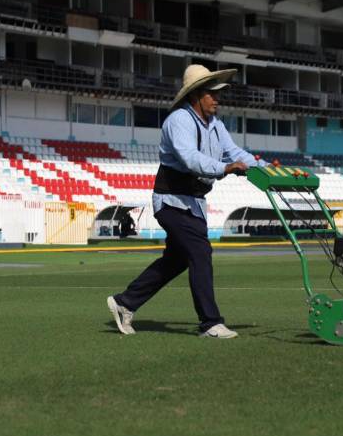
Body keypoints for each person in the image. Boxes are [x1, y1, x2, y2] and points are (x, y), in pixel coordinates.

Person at [107, 64, 266, 339]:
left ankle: (125, 302)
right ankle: (210, 323)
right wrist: (225, 168)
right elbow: (189, 158)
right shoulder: (178, 121)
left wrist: (264, 168)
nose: (217, 99)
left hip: (193, 202)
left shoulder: (216, 124)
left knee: (177, 260)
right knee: (200, 252)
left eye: (218, 94)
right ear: (195, 95)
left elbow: (234, 151)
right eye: (211, 94)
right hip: (170, 201)